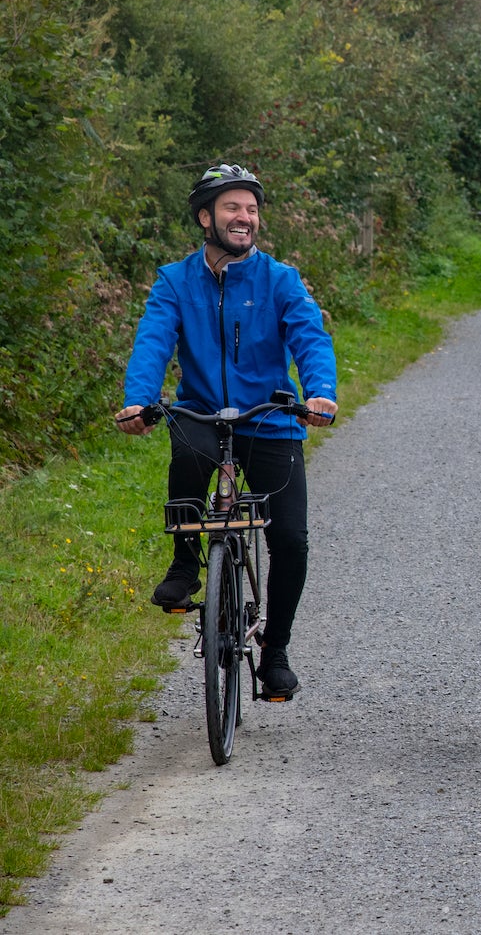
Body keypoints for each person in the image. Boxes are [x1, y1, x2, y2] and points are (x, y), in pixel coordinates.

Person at [115, 164, 339, 700]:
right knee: (188, 452)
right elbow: (153, 342)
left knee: (289, 538)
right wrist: (138, 400)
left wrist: (320, 392)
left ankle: (276, 651)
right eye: (233, 208)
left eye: (252, 209)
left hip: (272, 416)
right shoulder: (174, 280)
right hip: (202, 411)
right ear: (205, 217)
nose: (245, 218)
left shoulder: (280, 279)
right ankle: (185, 564)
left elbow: (311, 338)